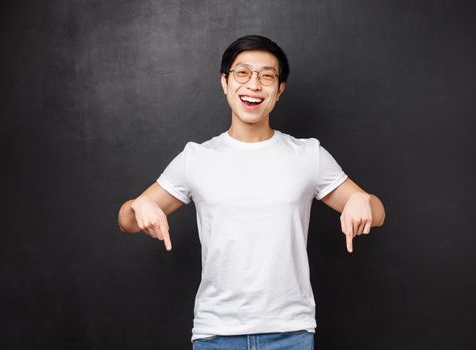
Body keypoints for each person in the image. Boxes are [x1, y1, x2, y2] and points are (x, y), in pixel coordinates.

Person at [118, 35, 386, 350]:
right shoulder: (197, 158)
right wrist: (138, 206)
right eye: (242, 73)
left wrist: (360, 199)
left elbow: (377, 213)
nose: (253, 85)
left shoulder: (308, 154)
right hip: (216, 334)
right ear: (225, 82)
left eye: (267, 76)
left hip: (291, 334)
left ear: (279, 90)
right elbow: (127, 221)